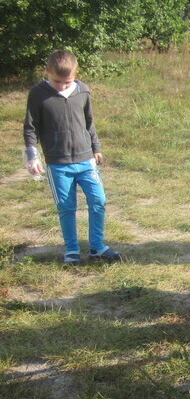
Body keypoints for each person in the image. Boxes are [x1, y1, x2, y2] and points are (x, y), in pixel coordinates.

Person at [23, 50, 121, 265]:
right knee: (67, 206)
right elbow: (30, 127)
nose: (63, 86)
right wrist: (32, 155)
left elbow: (89, 122)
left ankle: (97, 247)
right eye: (57, 82)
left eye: (67, 82)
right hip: (58, 164)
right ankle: (72, 250)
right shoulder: (38, 94)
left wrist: (96, 147)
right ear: (47, 71)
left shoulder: (83, 91)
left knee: (99, 200)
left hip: (86, 161)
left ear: (76, 73)